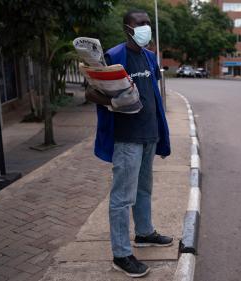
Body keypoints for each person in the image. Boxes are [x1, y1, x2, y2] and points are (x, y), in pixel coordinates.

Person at [85, 9, 172, 278]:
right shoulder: (114, 56)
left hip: (149, 135)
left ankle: (144, 233)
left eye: (148, 23)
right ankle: (121, 253)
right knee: (123, 198)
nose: (146, 28)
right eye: (140, 24)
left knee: (144, 190)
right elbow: (91, 93)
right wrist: (113, 102)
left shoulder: (148, 56)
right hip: (127, 138)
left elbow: (151, 94)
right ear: (127, 28)